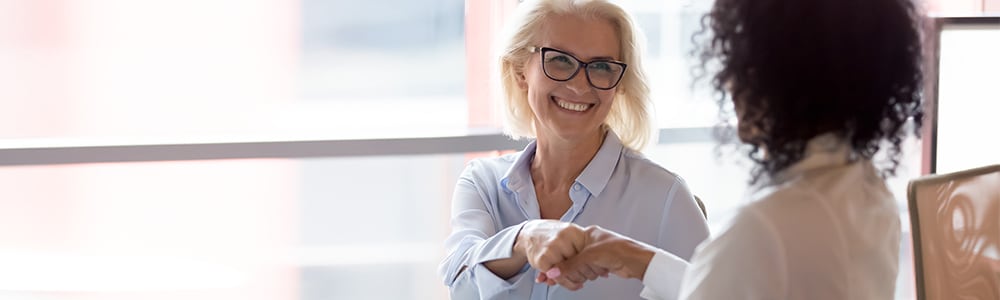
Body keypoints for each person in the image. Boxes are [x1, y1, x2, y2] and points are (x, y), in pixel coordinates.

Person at [534, 0, 925, 298]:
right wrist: (636, 259)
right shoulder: (868, 194)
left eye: (737, 65)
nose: (729, 84)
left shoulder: (766, 227)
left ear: (771, 75)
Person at [437, 0, 710, 299]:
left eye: (601, 66)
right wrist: (523, 239)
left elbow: (720, 291)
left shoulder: (666, 196)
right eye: (560, 60)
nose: (580, 86)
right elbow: (460, 287)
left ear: (619, 84)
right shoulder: (482, 183)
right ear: (519, 71)